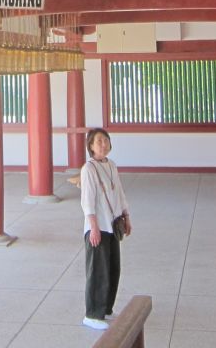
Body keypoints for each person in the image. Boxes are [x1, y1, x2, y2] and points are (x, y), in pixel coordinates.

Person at [80, 127, 131, 330]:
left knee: (112, 269)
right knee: (98, 271)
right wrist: (93, 227)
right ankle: (92, 314)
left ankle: (106, 309)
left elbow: (119, 193)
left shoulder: (111, 165)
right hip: (98, 227)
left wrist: (126, 216)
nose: (103, 144)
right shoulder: (88, 169)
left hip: (112, 225)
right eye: (98, 141)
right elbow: (88, 201)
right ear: (91, 146)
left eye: (105, 140)